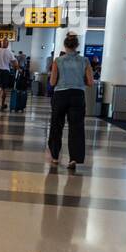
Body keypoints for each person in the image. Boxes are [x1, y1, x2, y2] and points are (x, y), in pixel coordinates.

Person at [47, 31, 94, 171]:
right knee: (76, 127)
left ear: (65, 45)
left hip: (60, 95)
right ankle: (74, 158)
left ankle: (55, 156)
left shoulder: (58, 61)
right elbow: (90, 82)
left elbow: (53, 81)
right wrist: (80, 80)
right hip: (77, 95)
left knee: (56, 125)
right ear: (77, 46)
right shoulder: (84, 61)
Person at [0, 40, 17, 112]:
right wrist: (16, 68)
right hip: (6, 71)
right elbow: (14, 63)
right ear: (7, 45)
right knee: (4, 89)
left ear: (1, 44)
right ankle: (2, 104)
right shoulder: (10, 53)